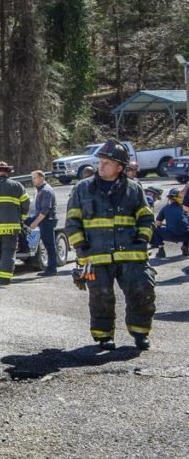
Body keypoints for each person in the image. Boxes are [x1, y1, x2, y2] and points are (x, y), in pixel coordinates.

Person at [65, 138, 156, 351]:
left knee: (142, 292)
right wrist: (81, 246)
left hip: (132, 254)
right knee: (101, 297)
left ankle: (140, 333)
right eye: (100, 161)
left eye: (107, 162)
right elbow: (72, 221)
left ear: (120, 167)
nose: (101, 165)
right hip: (95, 255)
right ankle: (104, 337)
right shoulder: (82, 188)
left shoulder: (134, 189)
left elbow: (146, 217)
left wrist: (142, 237)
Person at [28, 170, 59, 276]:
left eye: (35, 178)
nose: (33, 180)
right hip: (42, 218)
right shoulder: (40, 189)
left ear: (41, 178)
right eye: (32, 178)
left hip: (46, 220)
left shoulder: (46, 190)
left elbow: (45, 210)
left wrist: (35, 223)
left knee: (49, 245)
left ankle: (52, 269)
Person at [150, 188, 189, 258]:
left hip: (171, 235)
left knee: (156, 230)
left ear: (170, 198)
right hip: (186, 235)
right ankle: (185, 246)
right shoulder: (185, 207)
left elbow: (157, 223)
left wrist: (167, 224)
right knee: (185, 227)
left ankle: (161, 250)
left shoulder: (165, 208)